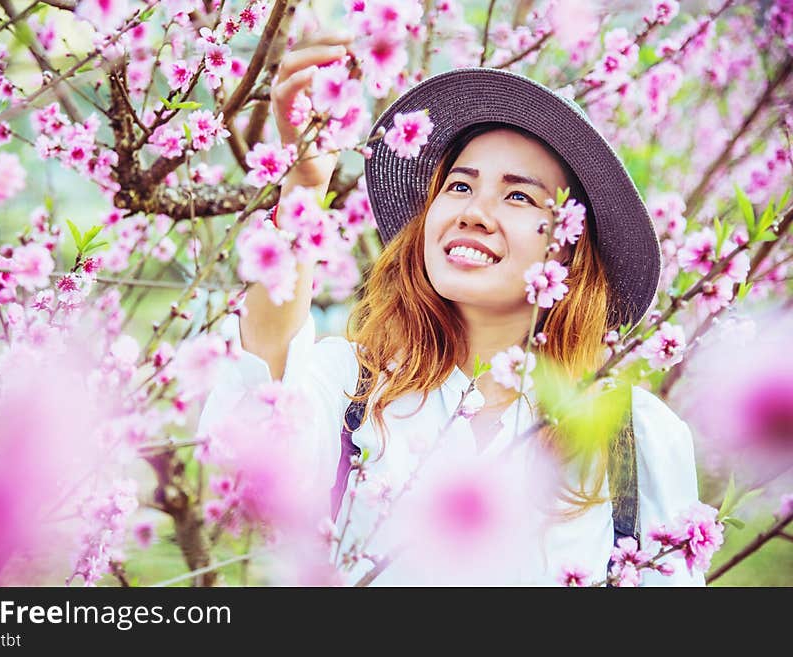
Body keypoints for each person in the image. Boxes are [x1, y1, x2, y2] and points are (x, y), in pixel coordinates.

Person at [199, 34, 703, 586]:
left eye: (519, 197)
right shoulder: (354, 388)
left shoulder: (635, 438)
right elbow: (255, 409)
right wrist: (304, 184)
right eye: (459, 185)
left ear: (572, 247)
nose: (475, 212)